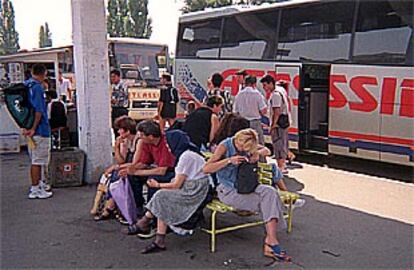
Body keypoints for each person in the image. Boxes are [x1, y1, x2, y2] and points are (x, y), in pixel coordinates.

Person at [203, 129, 291, 262]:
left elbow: (268, 150)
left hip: (248, 185)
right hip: (228, 190)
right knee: (268, 202)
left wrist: (257, 153)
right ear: (238, 141)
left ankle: (271, 239)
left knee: (271, 192)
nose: (244, 150)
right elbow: (206, 169)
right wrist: (228, 161)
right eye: (242, 148)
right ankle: (271, 241)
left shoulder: (250, 142)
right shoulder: (225, 146)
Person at [130, 147, 211, 254]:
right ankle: (153, 232)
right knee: (162, 197)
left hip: (195, 190)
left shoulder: (185, 157)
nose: (168, 147)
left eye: (169, 144)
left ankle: (145, 223)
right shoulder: (187, 153)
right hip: (193, 186)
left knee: (162, 196)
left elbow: (177, 184)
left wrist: (157, 185)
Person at [91, 116, 139, 221]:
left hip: (137, 168)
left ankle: (109, 208)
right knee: (114, 174)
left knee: (116, 175)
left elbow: (135, 162)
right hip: (129, 166)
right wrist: (117, 146)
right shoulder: (125, 141)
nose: (118, 131)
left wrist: (116, 167)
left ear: (127, 130)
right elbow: (121, 160)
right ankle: (109, 207)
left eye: (120, 129)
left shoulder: (138, 140)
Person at [23, 64, 53, 199]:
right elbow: (39, 110)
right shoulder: (37, 87)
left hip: (28, 128)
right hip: (39, 130)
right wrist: (34, 127)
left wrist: (27, 127)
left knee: (35, 157)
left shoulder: (26, 85)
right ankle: (35, 189)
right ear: (43, 74)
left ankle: (38, 184)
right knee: (38, 160)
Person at [260, 75, 291, 174]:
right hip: (284, 123)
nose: (264, 88)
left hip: (279, 125)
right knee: (283, 143)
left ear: (270, 83)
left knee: (278, 144)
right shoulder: (281, 90)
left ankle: (281, 167)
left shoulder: (276, 95)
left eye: (265, 85)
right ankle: (283, 165)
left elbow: (276, 111)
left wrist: (273, 125)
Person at [233, 75, 267, 145]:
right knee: (258, 144)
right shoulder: (258, 94)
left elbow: (235, 112)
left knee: (243, 144)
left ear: (245, 83)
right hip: (255, 123)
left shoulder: (239, 95)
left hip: (242, 123)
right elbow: (264, 111)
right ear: (254, 84)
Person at [110, 69, 129, 138]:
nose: (112, 79)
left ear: (118, 77)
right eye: (111, 77)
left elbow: (123, 97)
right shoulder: (113, 86)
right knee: (115, 128)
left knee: (122, 128)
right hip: (115, 109)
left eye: (114, 77)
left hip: (121, 109)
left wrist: (115, 100)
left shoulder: (122, 86)